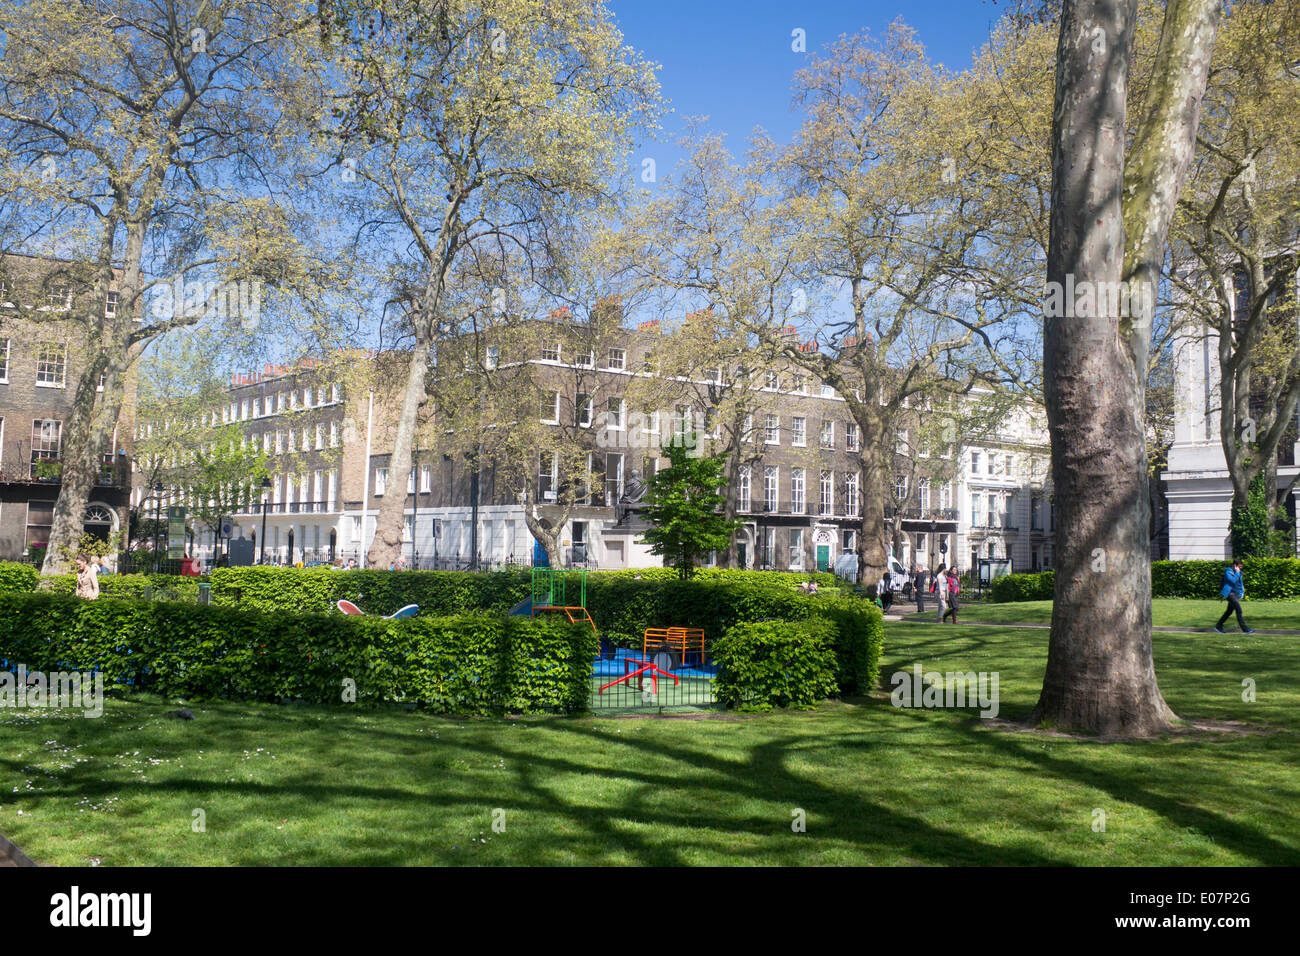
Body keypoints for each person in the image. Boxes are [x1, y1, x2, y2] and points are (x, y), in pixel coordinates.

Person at [1214, 557, 1254, 633]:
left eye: (1241, 567)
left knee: (1229, 611)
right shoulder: (1228, 571)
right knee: (1239, 610)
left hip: (1236, 594)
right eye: (1239, 566)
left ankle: (1218, 626)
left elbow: (1239, 583)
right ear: (1235, 565)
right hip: (1230, 594)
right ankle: (1245, 629)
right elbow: (1232, 580)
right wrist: (1237, 572)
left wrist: (1241, 592)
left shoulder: (1238, 573)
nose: (1240, 568)